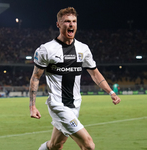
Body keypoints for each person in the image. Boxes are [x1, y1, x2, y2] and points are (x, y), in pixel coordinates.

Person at [29, 7, 121, 150]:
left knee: (55, 145)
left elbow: (95, 73)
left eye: (74, 21)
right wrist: (32, 106)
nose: (71, 24)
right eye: (67, 21)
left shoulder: (83, 49)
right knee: (88, 145)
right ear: (58, 24)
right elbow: (35, 77)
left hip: (75, 104)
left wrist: (111, 92)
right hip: (58, 105)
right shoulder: (46, 50)